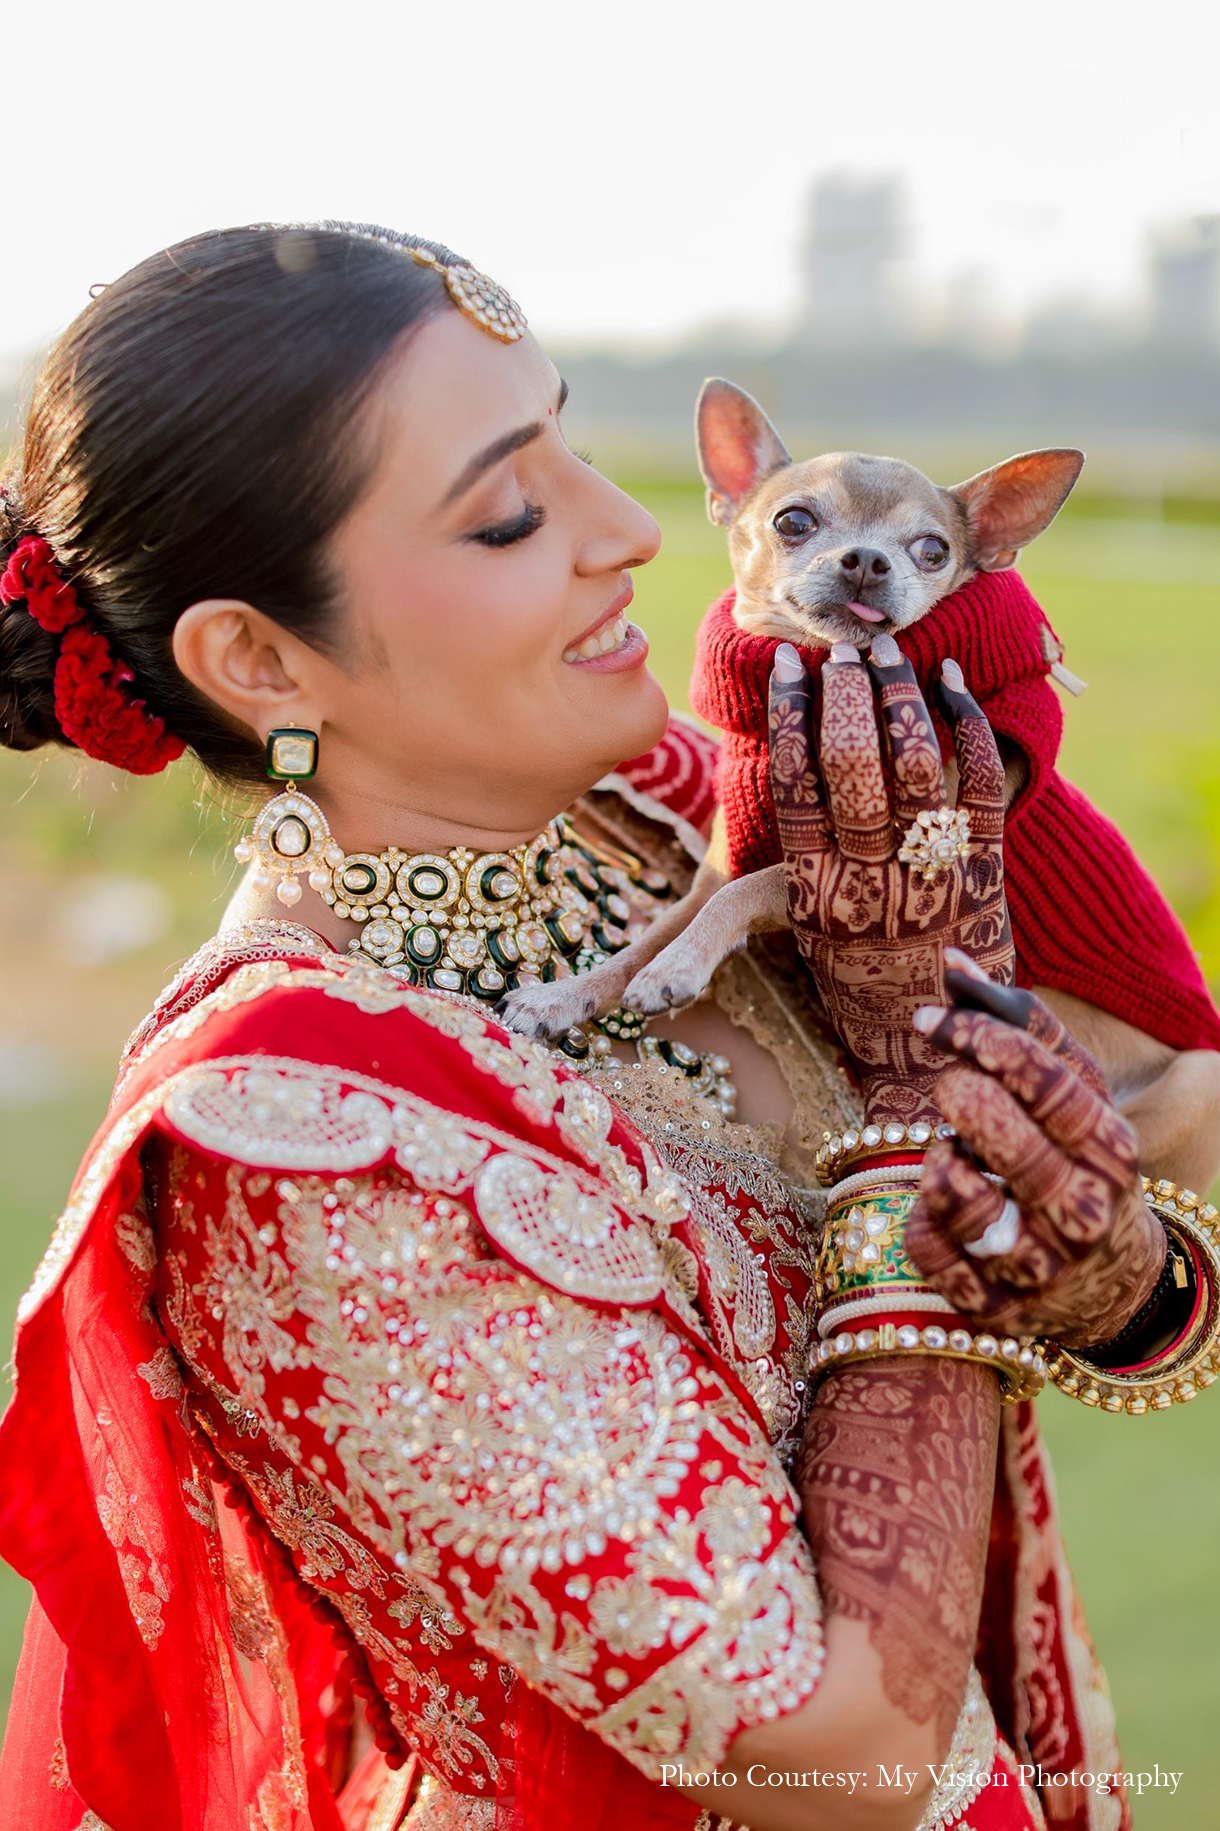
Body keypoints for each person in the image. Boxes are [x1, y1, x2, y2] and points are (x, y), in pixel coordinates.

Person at [0, 224, 1215, 1831]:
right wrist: (922, 1115)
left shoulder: (687, 813)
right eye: (510, 511)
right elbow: (840, 1758)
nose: (635, 530)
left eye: (573, 440)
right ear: (261, 660)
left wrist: (1113, 1271)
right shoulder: (304, 1137)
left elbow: (1159, 1243)